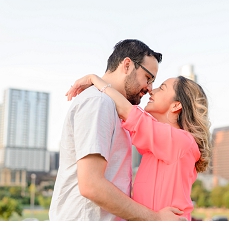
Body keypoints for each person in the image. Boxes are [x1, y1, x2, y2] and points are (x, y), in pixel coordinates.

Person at [49, 39, 183, 221]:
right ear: (127, 65)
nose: (150, 88)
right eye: (148, 78)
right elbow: (91, 185)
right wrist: (156, 218)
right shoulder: (99, 102)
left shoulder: (113, 107)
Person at [65, 73, 212, 221]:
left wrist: (94, 79)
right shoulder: (156, 146)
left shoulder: (181, 142)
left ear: (176, 105)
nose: (152, 91)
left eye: (161, 88)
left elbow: (129, 113)